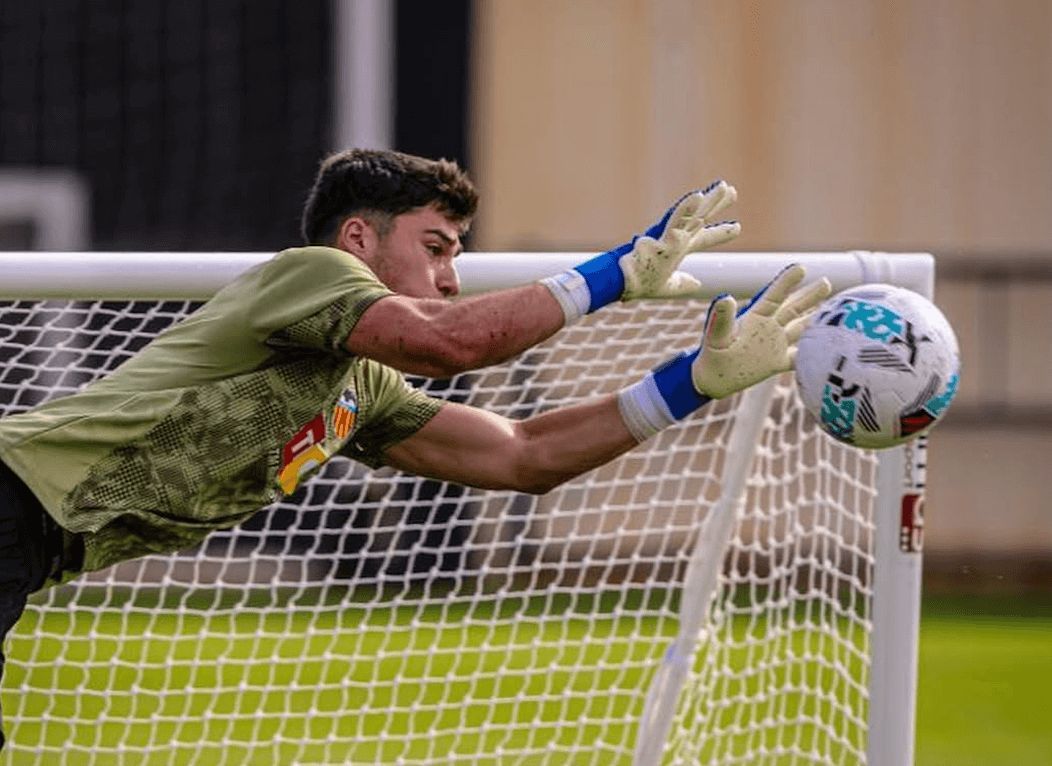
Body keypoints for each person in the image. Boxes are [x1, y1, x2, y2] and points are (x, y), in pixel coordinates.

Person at [0, 148, 830, 748]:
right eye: (436, 248)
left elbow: (521, 456)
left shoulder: (361, 389)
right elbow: (447, 344)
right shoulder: (309, 274)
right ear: (357, 239)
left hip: (29, 543)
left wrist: (692, 382)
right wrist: (616, 271)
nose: (450, 277)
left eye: (456, 258)